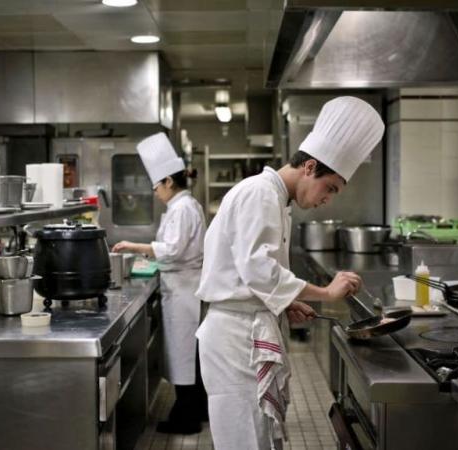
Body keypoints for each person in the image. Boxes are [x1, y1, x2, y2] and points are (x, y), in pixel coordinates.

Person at [195, 96, 385, 450]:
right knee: (247, 440)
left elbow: (252, 273)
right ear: (310, 167)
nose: (329, 199)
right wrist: (326, 292)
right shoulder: (260, 193)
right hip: (235, 338)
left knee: (260, 438)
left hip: (244, 329)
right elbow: (259, 271)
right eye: (331, 188)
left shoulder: (277, 199)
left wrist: (283, 304)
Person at [112, 132, 208, 434]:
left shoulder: (183, 208)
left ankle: (188, 418)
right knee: (186, 355)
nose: (154, 192)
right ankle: (195, 410)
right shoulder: (183, 205)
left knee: (184, 354)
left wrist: (134, 246)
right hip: (181, 286)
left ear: (168, 181)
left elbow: (172, 250)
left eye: (156, 186)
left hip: (184, 291)